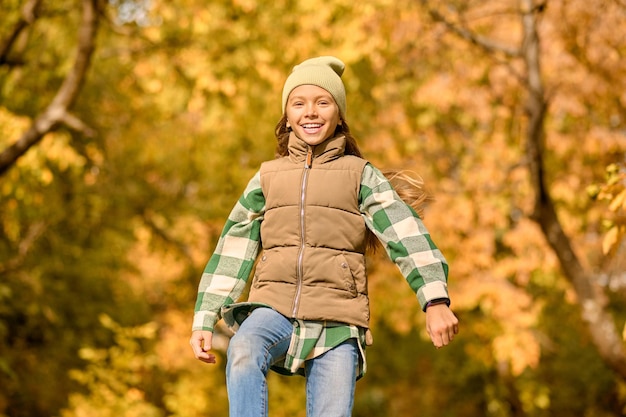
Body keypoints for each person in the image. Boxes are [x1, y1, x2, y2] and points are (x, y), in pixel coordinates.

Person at [190, 56, 459, 417]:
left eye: (323, 102)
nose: (311, 112)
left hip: (338, 319)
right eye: (299, 103)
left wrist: (435, 300)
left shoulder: (359, 175)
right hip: (275, 307)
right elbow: (233, 248)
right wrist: (205, 317)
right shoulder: (268, 177)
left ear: (339, 114)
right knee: (243, 349)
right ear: (286, 116)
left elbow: (404, 232)